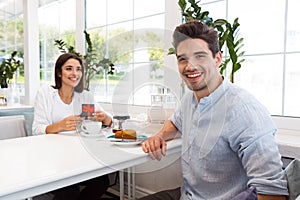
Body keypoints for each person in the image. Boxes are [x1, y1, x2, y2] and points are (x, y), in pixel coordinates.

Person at [141, 21, 289, 200]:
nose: (190, 66)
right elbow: (174, 122)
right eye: (183, 59)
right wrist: (159, 136)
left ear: (217, 59)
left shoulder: (244, 110)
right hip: (186, 194)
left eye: (200, 56)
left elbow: (273, 193)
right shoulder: (190, 98)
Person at [32, 53, 112, 200]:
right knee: (70, 190)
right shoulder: (46, 94)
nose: (75, 74)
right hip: (52, 158)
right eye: (69, 68)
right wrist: (59, 125)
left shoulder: (85, 96)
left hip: (79, 157)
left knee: (102, 182)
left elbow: (108, 123)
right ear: (59, 72)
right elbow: (37, 130)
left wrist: (105, 118)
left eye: (78, 69)